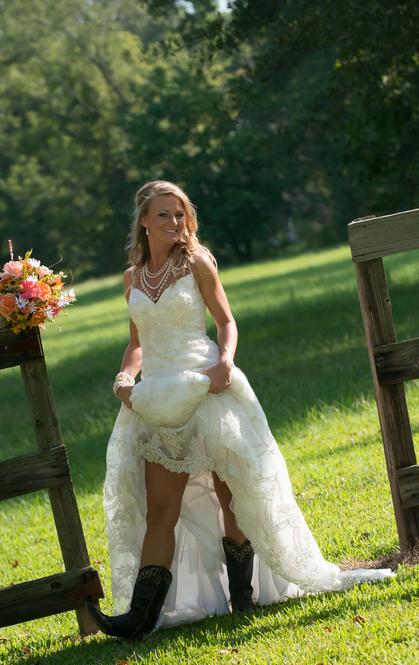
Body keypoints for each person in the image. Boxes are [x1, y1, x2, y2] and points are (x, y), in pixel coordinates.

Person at [85, 180, 393, 639]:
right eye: (164, 214)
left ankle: (242, 597)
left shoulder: (198, 263)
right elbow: (137, 345)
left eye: (180, 214)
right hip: (159, 400)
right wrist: (125, 379)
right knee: (160, 507)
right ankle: (139, 617)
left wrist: (225, 362)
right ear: (144, 221)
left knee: (234, 496)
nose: (174, 222)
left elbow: (226, 322)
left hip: (209, 387)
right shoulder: (132, 279)